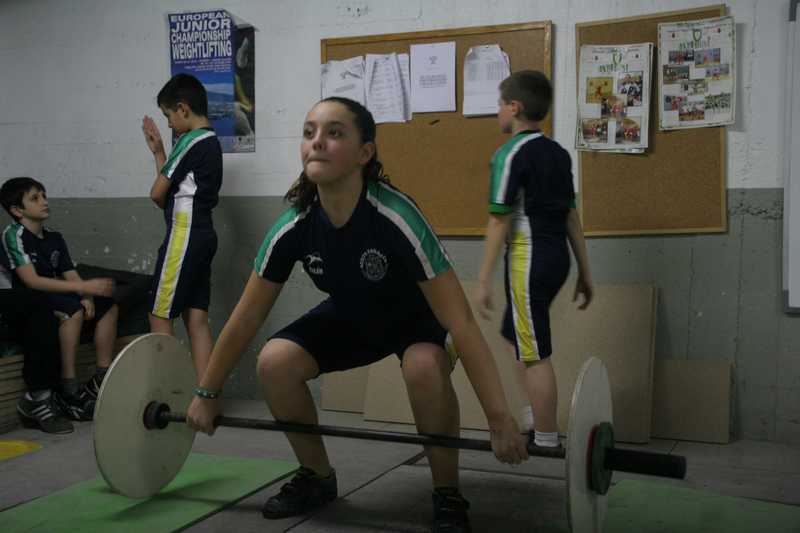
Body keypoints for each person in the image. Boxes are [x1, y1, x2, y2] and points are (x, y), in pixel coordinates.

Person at [186, 96, 527, 533]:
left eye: (334, 133)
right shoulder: (294, 225)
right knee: (274, 362)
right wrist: (207, 391)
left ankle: (447, 493)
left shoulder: (395, 216)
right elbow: (246, 317)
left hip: (415, 321)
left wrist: (499, 418)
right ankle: (317, 476)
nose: (317, 142)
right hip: (352, 317)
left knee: (423, 366)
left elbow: (460, 322)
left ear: (365, 152)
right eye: (309, 133)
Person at [475, 71, 593, 451]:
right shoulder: (558, 153)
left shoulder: (509, 154)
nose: (497, 112)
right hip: (557, 259)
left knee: (534, 352)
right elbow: (571, 217)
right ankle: (533, 415)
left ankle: (545, 437)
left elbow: (499, 219)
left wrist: (482, 279)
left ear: (515, 107)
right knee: (515, 337)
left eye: (499, 105)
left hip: (528, 260)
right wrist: (584, 272)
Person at [0, 177, 117, 422]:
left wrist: (87, 294)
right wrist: (82, 287)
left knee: (108, 305)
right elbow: (31, 281)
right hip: (26, 298)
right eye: (35, 198)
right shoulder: (14, 235)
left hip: (54, 292)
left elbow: (69, 273)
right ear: (17, 210)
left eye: (44, 195)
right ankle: (69, 385)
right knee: (71, 310)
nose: (44, 201)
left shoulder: (54, 237)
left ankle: (101, 377)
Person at [141, 73, 222, 380]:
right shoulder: (210, 141)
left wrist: (165, 153)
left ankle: (170, 393)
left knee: (159, 314)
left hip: (183, 236)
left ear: (183, 109)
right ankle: (206, 395)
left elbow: (157, 194)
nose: (169, 123)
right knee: (196, 319)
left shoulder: (189, 141)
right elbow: (175, 190)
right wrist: (159, 152)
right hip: (203, 235)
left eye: (168, 116)